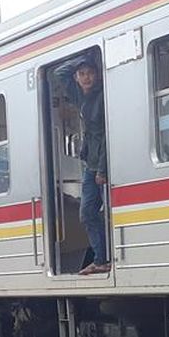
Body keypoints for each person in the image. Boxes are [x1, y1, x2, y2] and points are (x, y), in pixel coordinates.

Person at [54, 54, 109, 275]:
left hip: (101, 164)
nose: (86, 78)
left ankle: (107, 256)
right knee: (86, 213)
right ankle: (101, 259)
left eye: (90, 73)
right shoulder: (81, 97)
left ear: (97, 75)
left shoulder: (102, 97)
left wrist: (103, 168)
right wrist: (80, 59)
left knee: (107, 211)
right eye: (82, 74)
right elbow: (60, 73)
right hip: (90, 164)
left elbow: (107, 135)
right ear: (77, 77)